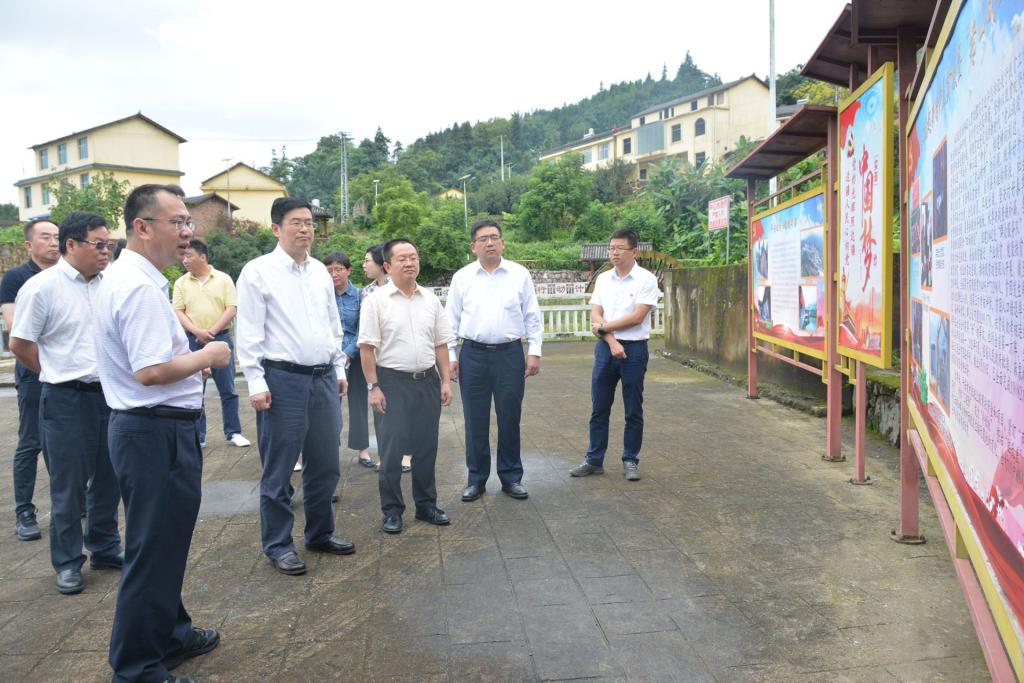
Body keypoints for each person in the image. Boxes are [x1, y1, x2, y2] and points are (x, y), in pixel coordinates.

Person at [94, 184, 228, 682]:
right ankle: (137, 668)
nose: (188, 233)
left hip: (153, 431)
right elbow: (150, 371)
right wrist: (207, 357)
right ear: (143, 227)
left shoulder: (135, 279)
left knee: (165, 544)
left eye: (189, 223)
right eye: (178, 222)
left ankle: (170, 633)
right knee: (152, 552)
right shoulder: (136, 285)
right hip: (153, 433)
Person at [236, 197, 354, 577]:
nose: (305, 229)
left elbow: (331, 324)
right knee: (280, 467)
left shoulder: (320, 271)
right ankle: (278, 544)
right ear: (276, 228)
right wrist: (255, 380)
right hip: (281, 380)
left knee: (325, 464)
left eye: (309, 223)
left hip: (322, 378)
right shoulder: (257, 272)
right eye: (295, 223)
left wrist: (338, 367)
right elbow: (249, 332)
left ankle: (320, 533)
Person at [9, 212, 123, 595]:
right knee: (69, 485)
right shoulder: (42, 288)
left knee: (109, 478)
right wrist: (54, 371)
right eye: (98, 244)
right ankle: (69, 561)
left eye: (109, 243)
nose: (106, 250)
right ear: (71, 245)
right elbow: (20, 343)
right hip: (66, 399)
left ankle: (106, 547)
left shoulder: (113, 285)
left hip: (110, 396)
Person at [358, 238, 455, 534]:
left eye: (413, 257)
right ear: (387, 266)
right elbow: (366, 348)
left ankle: (426, 505)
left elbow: (440, 343)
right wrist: (374, 387)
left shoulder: (430, 299)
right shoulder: (376, 301)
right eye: (402, 258)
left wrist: (446, 380)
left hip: (426, 381)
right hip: (391, 383)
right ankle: (392, 510)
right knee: (391, 449)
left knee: (427, 447)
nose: (410, 263)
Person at [446, 219, 542, 502]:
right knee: (475, 420)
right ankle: (476, 479)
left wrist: (534, 351)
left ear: (503, 242)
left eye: (495, 237)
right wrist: (451, 356)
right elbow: (450, 321)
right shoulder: (462, 277)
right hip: (472, 355)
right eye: (483, 238)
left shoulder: (519, 274)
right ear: (473, 246)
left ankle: (511, 477)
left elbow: (532, 316)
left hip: (509, 355)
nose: (490, 243)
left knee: (510, 417)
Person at [570, 229, 659, 482]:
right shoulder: (604, 279)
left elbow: (636, 317)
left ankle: (630, 459)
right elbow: (595, 314)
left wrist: (603, 329)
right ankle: (594, 459)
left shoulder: (646, 279)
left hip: (634, 350)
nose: (614, 253)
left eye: (620, 248)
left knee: (633, 409)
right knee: (599, 407)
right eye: (611, 248)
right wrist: (609, 340)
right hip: (606, 349)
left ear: (634, 251)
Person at [1, 218, 59, 541]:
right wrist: (43, 368)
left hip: (66, 373)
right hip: (34, 370)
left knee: (64, 443)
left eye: (57, 237)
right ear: (29, 244)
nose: (53, 242)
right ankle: (24, 511)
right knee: (31, 441)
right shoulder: (16, 278)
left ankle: (70, 504)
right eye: (46, 237)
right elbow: (16, 328)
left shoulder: (69, 275)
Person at [173, 238, 251, 449]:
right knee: (195, 389)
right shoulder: (181, 283)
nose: (185, 260)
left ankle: (233, 432)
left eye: (189, 256)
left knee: (228, 388)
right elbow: (178, 311)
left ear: (203, 256)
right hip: (192, 340)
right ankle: (199, 435)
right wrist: (198, 332)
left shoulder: (224, 279)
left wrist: (212, 332)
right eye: (183, 256)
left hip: (221, 338)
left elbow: (232, 308)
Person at [362, 244, 411, 473]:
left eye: (367, 261)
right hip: (382, 365)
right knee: (384, 415)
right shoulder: (369, 295)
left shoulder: (417, 294)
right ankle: (388, 455)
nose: (364, 266)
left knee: (410, 415)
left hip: (409, 364)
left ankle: (407, 455)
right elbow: (366, 342)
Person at [324, 251, 374, 468]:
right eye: (329, 270)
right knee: (329, 408)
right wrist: (336, 356)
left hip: (354, 358)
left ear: (348, 270)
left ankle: (363, 449)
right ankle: (328, 450)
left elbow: (362, 330)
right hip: (329, 358)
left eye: (338, 269)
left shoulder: (360, 295)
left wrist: (346, 354)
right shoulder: (323, 296)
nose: (334, 274)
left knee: (359, 404)